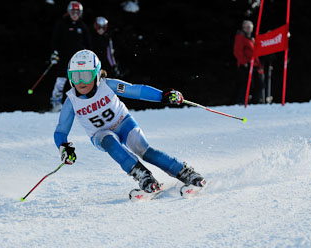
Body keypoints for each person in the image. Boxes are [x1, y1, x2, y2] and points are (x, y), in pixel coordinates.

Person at [54, 49, 206, 194]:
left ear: (96, 74)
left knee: (144, 150)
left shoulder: (108, 85)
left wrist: (163, 96)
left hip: (123, 123)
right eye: (75, 76)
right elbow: (61, 130)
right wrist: (64, 148)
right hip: (99, 134)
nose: (81, 82)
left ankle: (186, 173)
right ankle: (144, 177)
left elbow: (136, 91)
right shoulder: (71, 101)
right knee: (109, 141)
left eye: (86, 76)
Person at [49, 1, 92, 111]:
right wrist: (54, 53)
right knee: (61, 81)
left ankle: (81, 104)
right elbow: (55, 40)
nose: (75, 14)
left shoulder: (82, 26)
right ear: (69, 12)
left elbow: (88, 43)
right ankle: (56, 103)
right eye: (73, 12)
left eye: (78, 12)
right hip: (64, 58)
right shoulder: (62, 24)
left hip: (79, 60)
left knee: (81, 81)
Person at [233, 20, 265, 105]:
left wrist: (259, 64)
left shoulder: (251, 38)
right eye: (246, 27)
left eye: (250, 27)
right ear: (243, 28)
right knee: (246, 84)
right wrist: (244, 62)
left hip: (255, 65)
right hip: (246, 65)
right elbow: (237, 51)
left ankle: (256, 102)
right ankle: (241, 102)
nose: (248, 29)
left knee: (259, 84)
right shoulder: (240, 37)